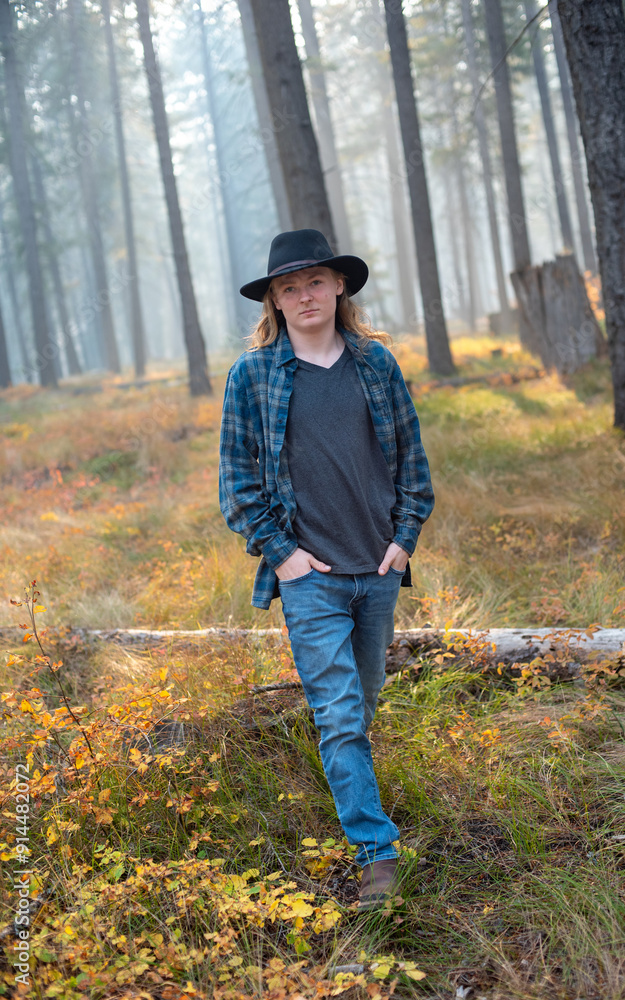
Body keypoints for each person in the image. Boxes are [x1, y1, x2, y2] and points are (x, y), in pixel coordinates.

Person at [219, 229, 434, 910]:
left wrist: (403, 539)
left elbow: (413, 466)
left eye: (315, 281)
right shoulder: (252, 376)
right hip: (308, 577)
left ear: (339, 286)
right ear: (275, 302)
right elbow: (237, 485)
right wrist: (283, 555)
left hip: (376, 571)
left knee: (360, 704)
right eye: (289, 287)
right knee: (340, 713)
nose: (304, 295)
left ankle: (346, 785)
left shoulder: (376, 365)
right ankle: (377, 854)